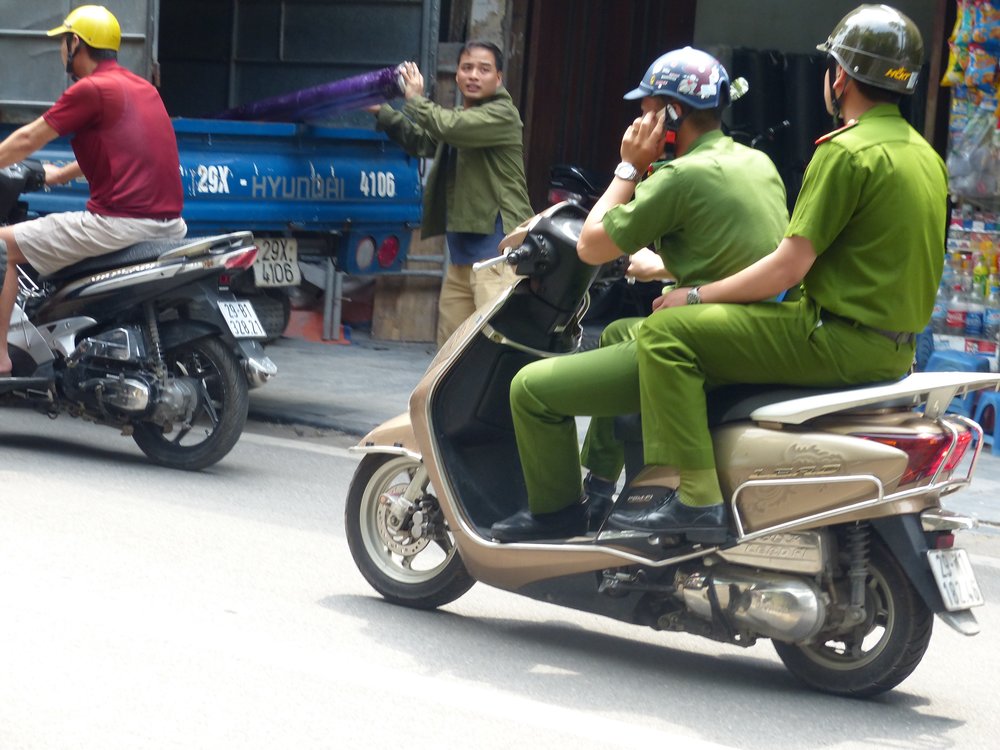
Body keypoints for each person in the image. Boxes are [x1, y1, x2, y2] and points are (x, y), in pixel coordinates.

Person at [605, 4, 947, 538]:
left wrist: (693, 296)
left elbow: (787, 268)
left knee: (669, 334)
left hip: (834, 339)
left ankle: (695, 498)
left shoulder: (847, 152)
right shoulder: (925, 156)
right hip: (897, 347)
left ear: (840, 76)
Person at [490, 47, 789, 542]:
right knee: (616, 333)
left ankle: (557, 513)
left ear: (672, 114)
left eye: (648, 108)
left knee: (531, 390)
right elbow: (744, 251)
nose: (639, 120)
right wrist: (669, 264)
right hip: (747, 330)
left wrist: (628, 167)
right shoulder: (756, 163)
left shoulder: (678, 176)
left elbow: (590, 245)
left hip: (701, 345)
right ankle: (603, 484)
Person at [0, 4, 186, 378]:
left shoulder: (91, 89)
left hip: (119, 223)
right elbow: (122, 151)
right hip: (169, 225)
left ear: (76, 44)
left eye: (63, 42)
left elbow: (28, 138)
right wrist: (57, 176)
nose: (60, 52)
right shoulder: (140, 87)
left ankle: (0, 356)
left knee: (8, 246)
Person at [369, 42, 533, 347]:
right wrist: (383, 112)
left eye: (484, 69)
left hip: (497, 254)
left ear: (498, 78)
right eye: (466, 68)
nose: (473, 75)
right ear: (456, 75)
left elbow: (449, 127)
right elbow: (423, 140)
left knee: (496, 345)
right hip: (462, 257)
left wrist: (415, 99)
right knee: (450, 347)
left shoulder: (501, 114)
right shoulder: (462, 118)